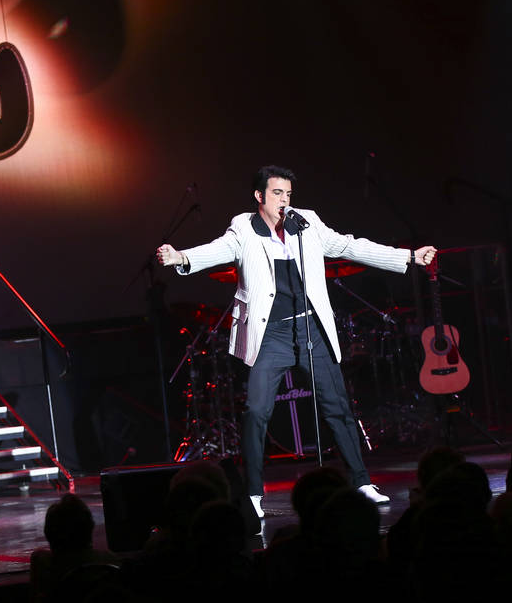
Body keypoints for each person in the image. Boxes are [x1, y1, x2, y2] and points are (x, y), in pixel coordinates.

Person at [156, 165, 436, 518]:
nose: (284, 201)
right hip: (269, 334)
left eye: (288, 194)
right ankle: (254, 494)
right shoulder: (244, 227)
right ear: (259, 196)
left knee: (338, 407)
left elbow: (348, 246)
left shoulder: (306, 223)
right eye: (276, 193)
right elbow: (219, 249)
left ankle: (361, 482)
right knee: (256, 411)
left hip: (310, 329)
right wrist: (181, 257)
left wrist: (408, 257)